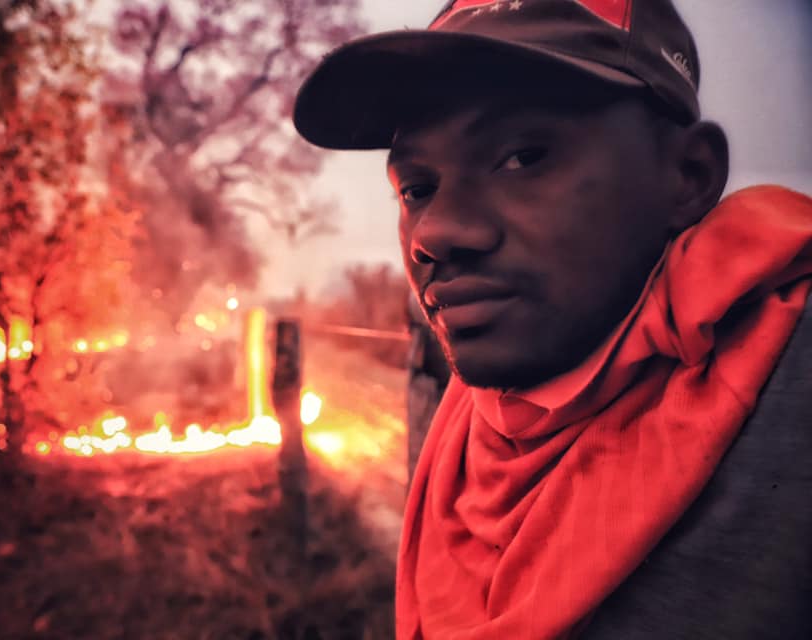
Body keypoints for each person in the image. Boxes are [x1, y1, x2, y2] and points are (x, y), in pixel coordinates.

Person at [293, 1, 812, 638]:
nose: (435, 234)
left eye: (523, 157)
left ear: (688, 175)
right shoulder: (472, 429)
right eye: (415, 189)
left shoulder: (788, 396)